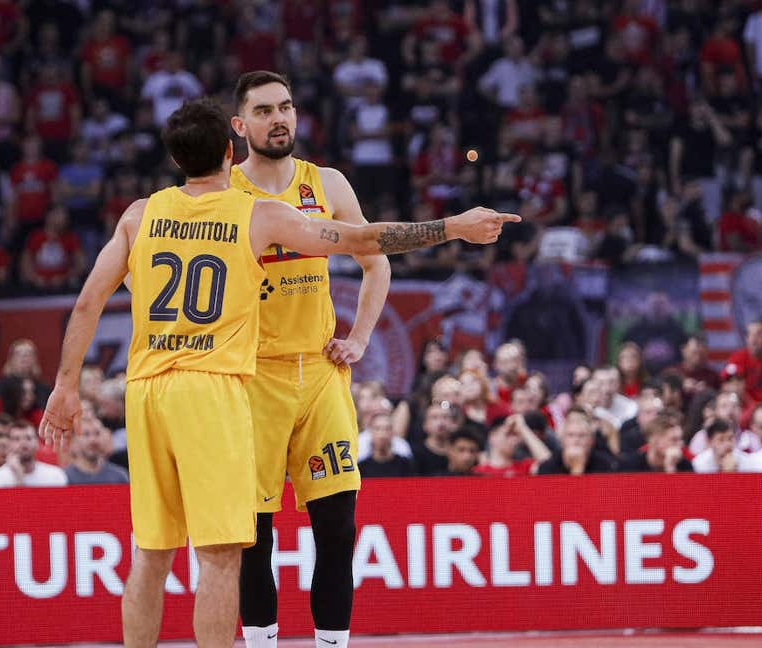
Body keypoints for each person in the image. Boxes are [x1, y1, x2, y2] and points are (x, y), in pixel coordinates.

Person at [38, 98, 515, 648]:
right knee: (219, 557)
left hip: (145, 389)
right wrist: (451, 226)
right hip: (213, 388)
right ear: (228, 150)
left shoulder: (138, 215)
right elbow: (364, 240)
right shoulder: (256, 213)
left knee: (151, 552)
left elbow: (86, 304)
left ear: (175, 161)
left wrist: (66, 386)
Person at [228, 69, 396, 648]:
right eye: (265, 110)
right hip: (254, 381)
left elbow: (377, 260)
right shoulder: (223, 193)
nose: (279, 119)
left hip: (322, 376)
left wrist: (360, 339)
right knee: (254, 534)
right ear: (239, 124)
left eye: (287, 107)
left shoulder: (325, 182)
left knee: (337, 525)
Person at [0, 421, 68, 487]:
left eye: (28, 438)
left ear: (37, 443)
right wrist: (18, 478)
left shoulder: (55, 475)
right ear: (8, 445)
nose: (23, 443)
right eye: (16, 439)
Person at [536, 408, 617, 475]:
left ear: (591, 440)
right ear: (562, 440)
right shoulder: (548, 466)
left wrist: (578, 467)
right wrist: (577, 469)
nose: (576, 440)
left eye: (582, 435)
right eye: (571, 435)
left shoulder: (605, 465)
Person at [65, 414, 130, 484]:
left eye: (97, 433)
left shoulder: (119, 477)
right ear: (74, 440)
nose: (93, 440)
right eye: (86, 434)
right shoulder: (65, 478)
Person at [619, 412, 693, 473]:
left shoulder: (684, 465)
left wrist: (670, 468)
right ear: (655, 441)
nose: (681, 444)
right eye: (674, 440)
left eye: (681, 439)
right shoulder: (631, 464)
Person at [357, 412, 414, 478]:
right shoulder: (361, 467)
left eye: (387, 429)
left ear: (393, 432)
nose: (382, 434)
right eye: (377, 428)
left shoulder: (405, 465)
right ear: (370, 431)